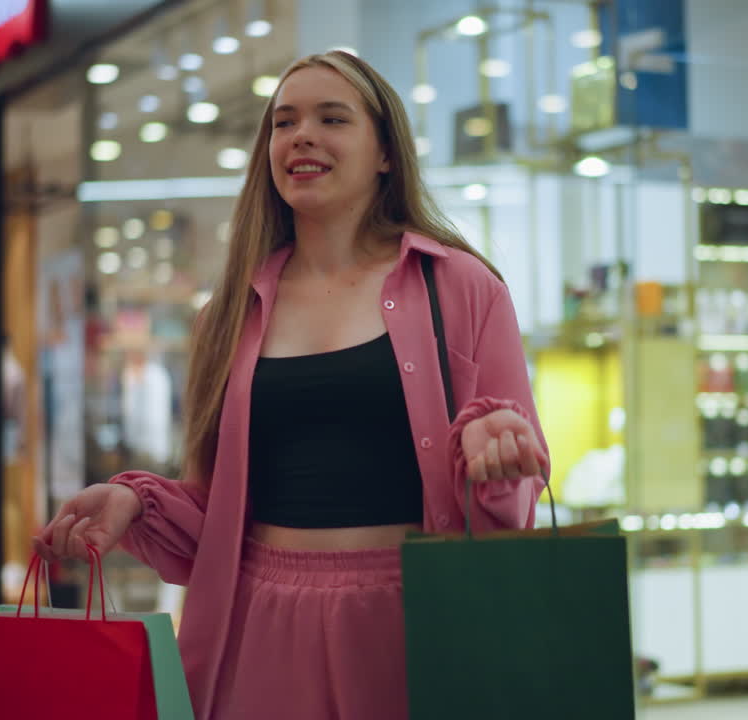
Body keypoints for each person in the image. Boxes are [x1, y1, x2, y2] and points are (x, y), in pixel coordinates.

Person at [33, 50, 549, 720]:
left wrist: (498, 452)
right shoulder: (227, 316)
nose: (301, 135)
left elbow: (511, 511)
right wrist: (135, 503)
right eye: (283, 122)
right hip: (260, 624)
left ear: (386, 152)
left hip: (416, 619)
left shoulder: (462, 288)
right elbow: (214, 519)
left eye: (332, 118)